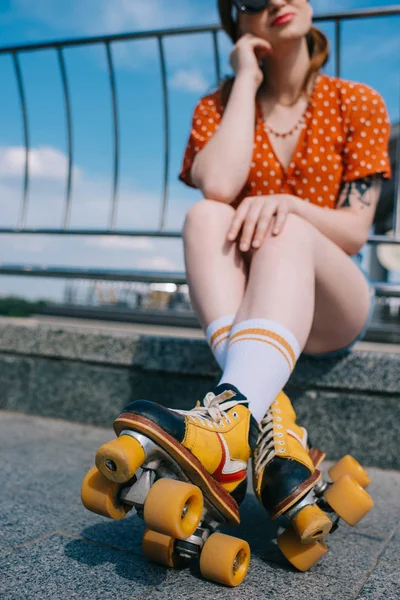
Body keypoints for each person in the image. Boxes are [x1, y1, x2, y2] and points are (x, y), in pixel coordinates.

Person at [95, 0, 391, 558]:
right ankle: (262, 421)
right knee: (205, 215)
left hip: (331, 297)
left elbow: (354, 232)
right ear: (238, 20)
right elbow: (218, 187)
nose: (277, 0)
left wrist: (288, 205)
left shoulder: (356, 101)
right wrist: (247, 79)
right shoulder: (219, 104)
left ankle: (225, 422)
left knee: (287, 225)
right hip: (253, 301)